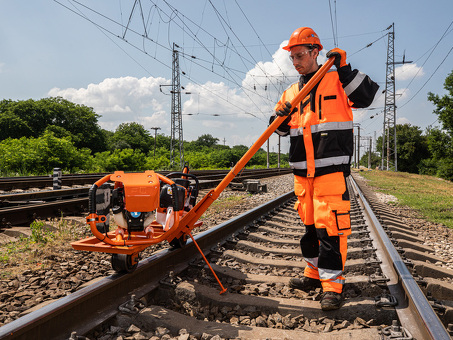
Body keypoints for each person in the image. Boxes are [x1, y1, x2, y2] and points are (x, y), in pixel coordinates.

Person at [270, 27, 379, 310]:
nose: (295, 62)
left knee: (330, 229)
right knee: (309, 229)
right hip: (301, 175)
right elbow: (278, 130)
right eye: (292, 57)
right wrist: (279, 120)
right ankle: (313, 275)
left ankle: (332, 287)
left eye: (300, 55)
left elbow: (366, 97)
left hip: (330, 172)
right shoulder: (292, 92)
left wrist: (344, 69)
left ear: (316, 52)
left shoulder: (337, 79)